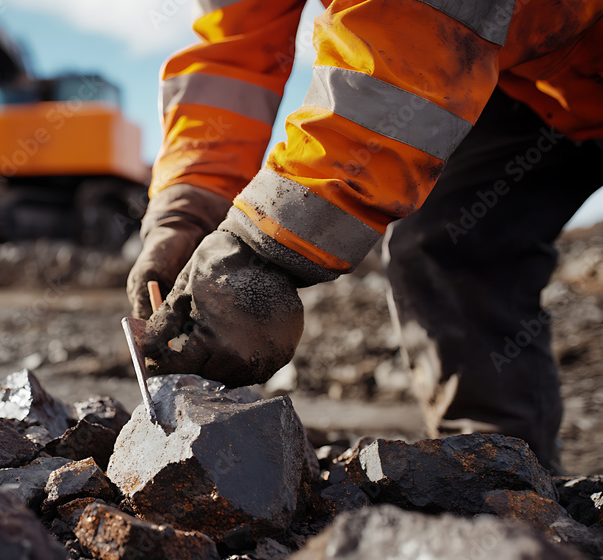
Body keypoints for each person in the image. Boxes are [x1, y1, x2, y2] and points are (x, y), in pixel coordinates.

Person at [128, 0, 603, 471]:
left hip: (531, 51)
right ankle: (503, 479)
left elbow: (415, 28)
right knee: (446, 244)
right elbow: (234, 50)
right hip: (539, 81)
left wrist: (264, 247)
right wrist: (187, 210)